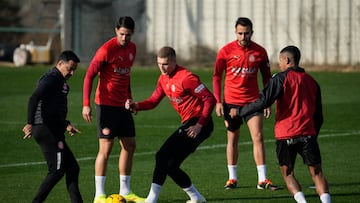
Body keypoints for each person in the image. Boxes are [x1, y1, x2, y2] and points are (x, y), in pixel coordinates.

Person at [229, 45, 331, 203]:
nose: (279, 65)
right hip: (308, 134)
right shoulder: (312, 82)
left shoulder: (280, 78)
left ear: (287, 60)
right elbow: (319, 116)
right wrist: (313, 134)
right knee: (317, 174)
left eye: (280, 61)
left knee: (288, 174)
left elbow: (263, 101)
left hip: (286, 134)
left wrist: (240, 111)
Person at [125, 46, 216, 203]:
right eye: (159, 63)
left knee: (162, 155)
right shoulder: (163, 79)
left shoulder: (187, 77)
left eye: (166, 64)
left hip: (199, 123)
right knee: (170, 165)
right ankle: (197, 197)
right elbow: (154, 101)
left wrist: (200, 125)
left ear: (174, 61)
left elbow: (210, 99)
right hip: (191, 123)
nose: (162, 67)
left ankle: (151, 200)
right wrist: (137, 105)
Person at [82, 16, 143, 203]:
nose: (124, 38)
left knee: (130, 145)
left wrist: (130, 99)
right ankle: (99, 195)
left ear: (133, 33)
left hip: (122, 106)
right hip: (106, 106)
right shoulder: (106, 50)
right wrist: (86, 104)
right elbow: (89, 76)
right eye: (121, 34)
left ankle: (125, 191)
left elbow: (127, 77)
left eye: (128, 35)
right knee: (106, 148)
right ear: (116, 30)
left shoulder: (132, 49)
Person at [213, 17, 278, 190]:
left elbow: (266, 78)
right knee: (232, 139)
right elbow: (217, 76)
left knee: (258, 137)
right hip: (231, 103)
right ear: (235, 32)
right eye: (240, 33)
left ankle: (262, 179)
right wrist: (218, 101)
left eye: (246, 33)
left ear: (252, 32)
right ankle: (232, 178)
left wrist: (267, 102)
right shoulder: (225, 51)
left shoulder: (260, 52)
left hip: (253, 102)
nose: (243, 36)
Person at [22, 50, 83, 203]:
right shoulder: (51, 78)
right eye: (70, 68)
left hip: (54, 129)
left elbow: (54, 111)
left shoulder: (62, 84)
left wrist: (66, 125)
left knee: (72, 168)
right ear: (60, 64)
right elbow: (34, 97)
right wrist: (30, 122)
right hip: (44, 128)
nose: (72, 73)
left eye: (74, 69)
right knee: (56, 170)